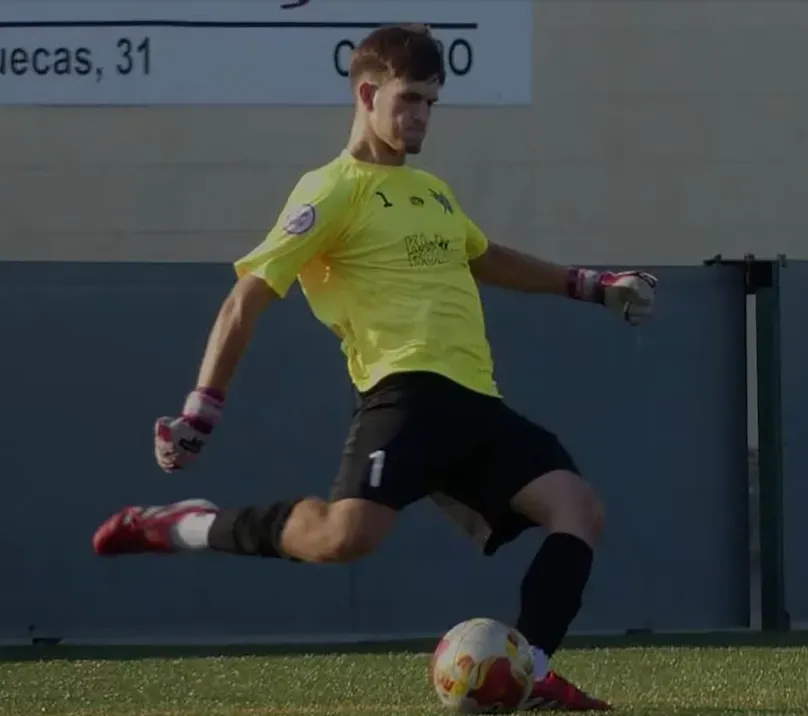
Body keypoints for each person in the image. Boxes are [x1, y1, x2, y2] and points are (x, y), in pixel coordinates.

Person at [93, 24, 657, 711]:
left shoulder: (432, 192)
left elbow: (485, 257)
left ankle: (529, 673)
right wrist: (200, 409)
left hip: (478, 401)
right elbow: (247, 297)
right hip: (404, 394)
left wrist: (592, 285)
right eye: (409, 98)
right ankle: (184, 524)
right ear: (367, 93)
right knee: (342, 538)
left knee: (578, 507)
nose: (421, 115)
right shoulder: (331, 189)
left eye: (430, 103)